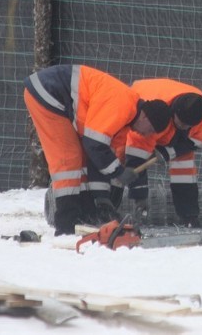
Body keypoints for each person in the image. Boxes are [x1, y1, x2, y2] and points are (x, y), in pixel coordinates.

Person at [23, 64, 171, 235]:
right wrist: (118, 172)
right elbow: (95, 145)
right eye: (150, 129)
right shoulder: (122, 106)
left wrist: (102, 201)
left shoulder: (124, 125)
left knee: (83, 157)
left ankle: (85, 214)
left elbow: (97, 158)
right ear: (145, 116)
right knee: (68, 158)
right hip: (48, 91)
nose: (147, 135)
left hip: (55, 94)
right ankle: (66, 222)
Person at [111, 79, 202, 227]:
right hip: (137, 101)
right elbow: (136, 155)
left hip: (172, 134)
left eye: (186, 126)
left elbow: (197, 141)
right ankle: (107, 211)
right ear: (174, 112)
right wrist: (140, 195)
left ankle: (189, 216)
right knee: (121, 160)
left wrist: (167, 152)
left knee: (184, 165)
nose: (182, 126)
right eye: (180, 122)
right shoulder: (151, 114)